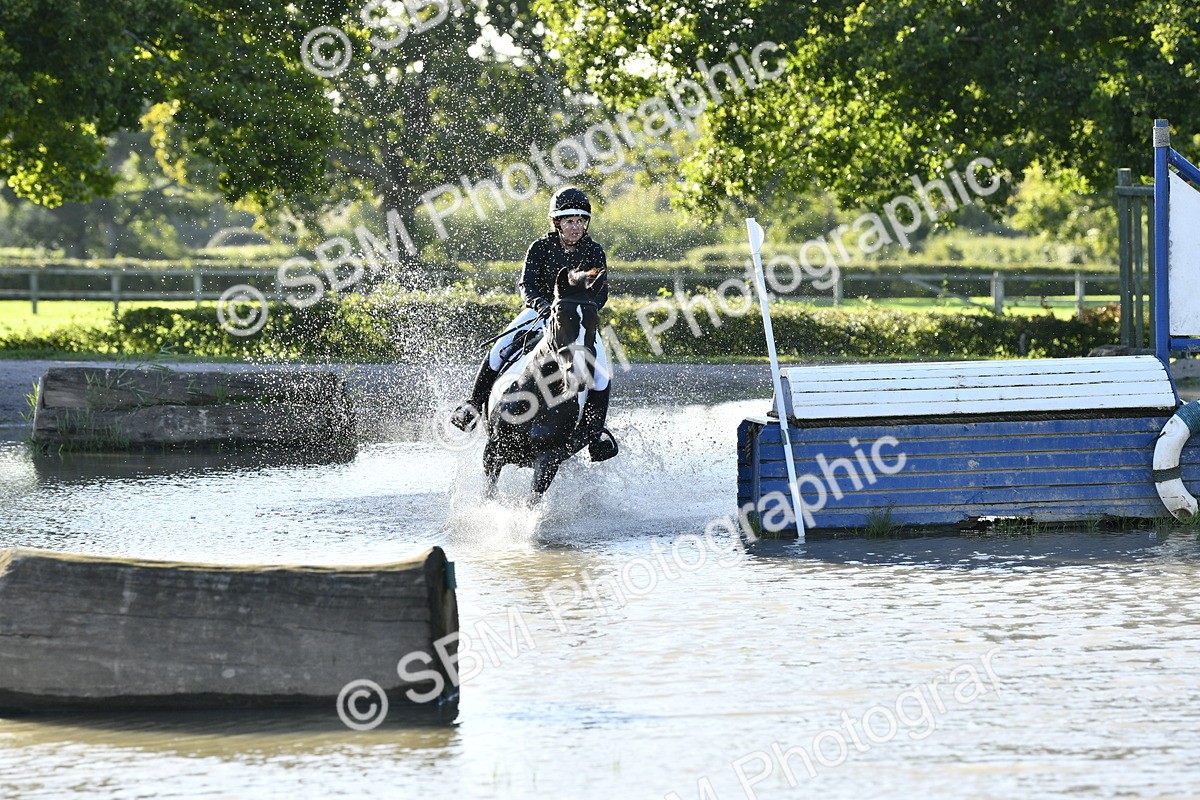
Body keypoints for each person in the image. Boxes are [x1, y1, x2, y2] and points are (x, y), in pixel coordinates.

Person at [449, 186, 614, 456]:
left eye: (580, 221)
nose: (576, 227)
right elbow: (527, 286)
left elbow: (601, 292)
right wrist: (544, 307)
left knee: (601, 371)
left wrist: (584, 311)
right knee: (499, 350)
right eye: (570, 221)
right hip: (540, 313)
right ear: (557, 223)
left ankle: (596, 433)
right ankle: (473, 405)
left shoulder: (594, 251)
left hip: (577, 320)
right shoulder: (540, 247)